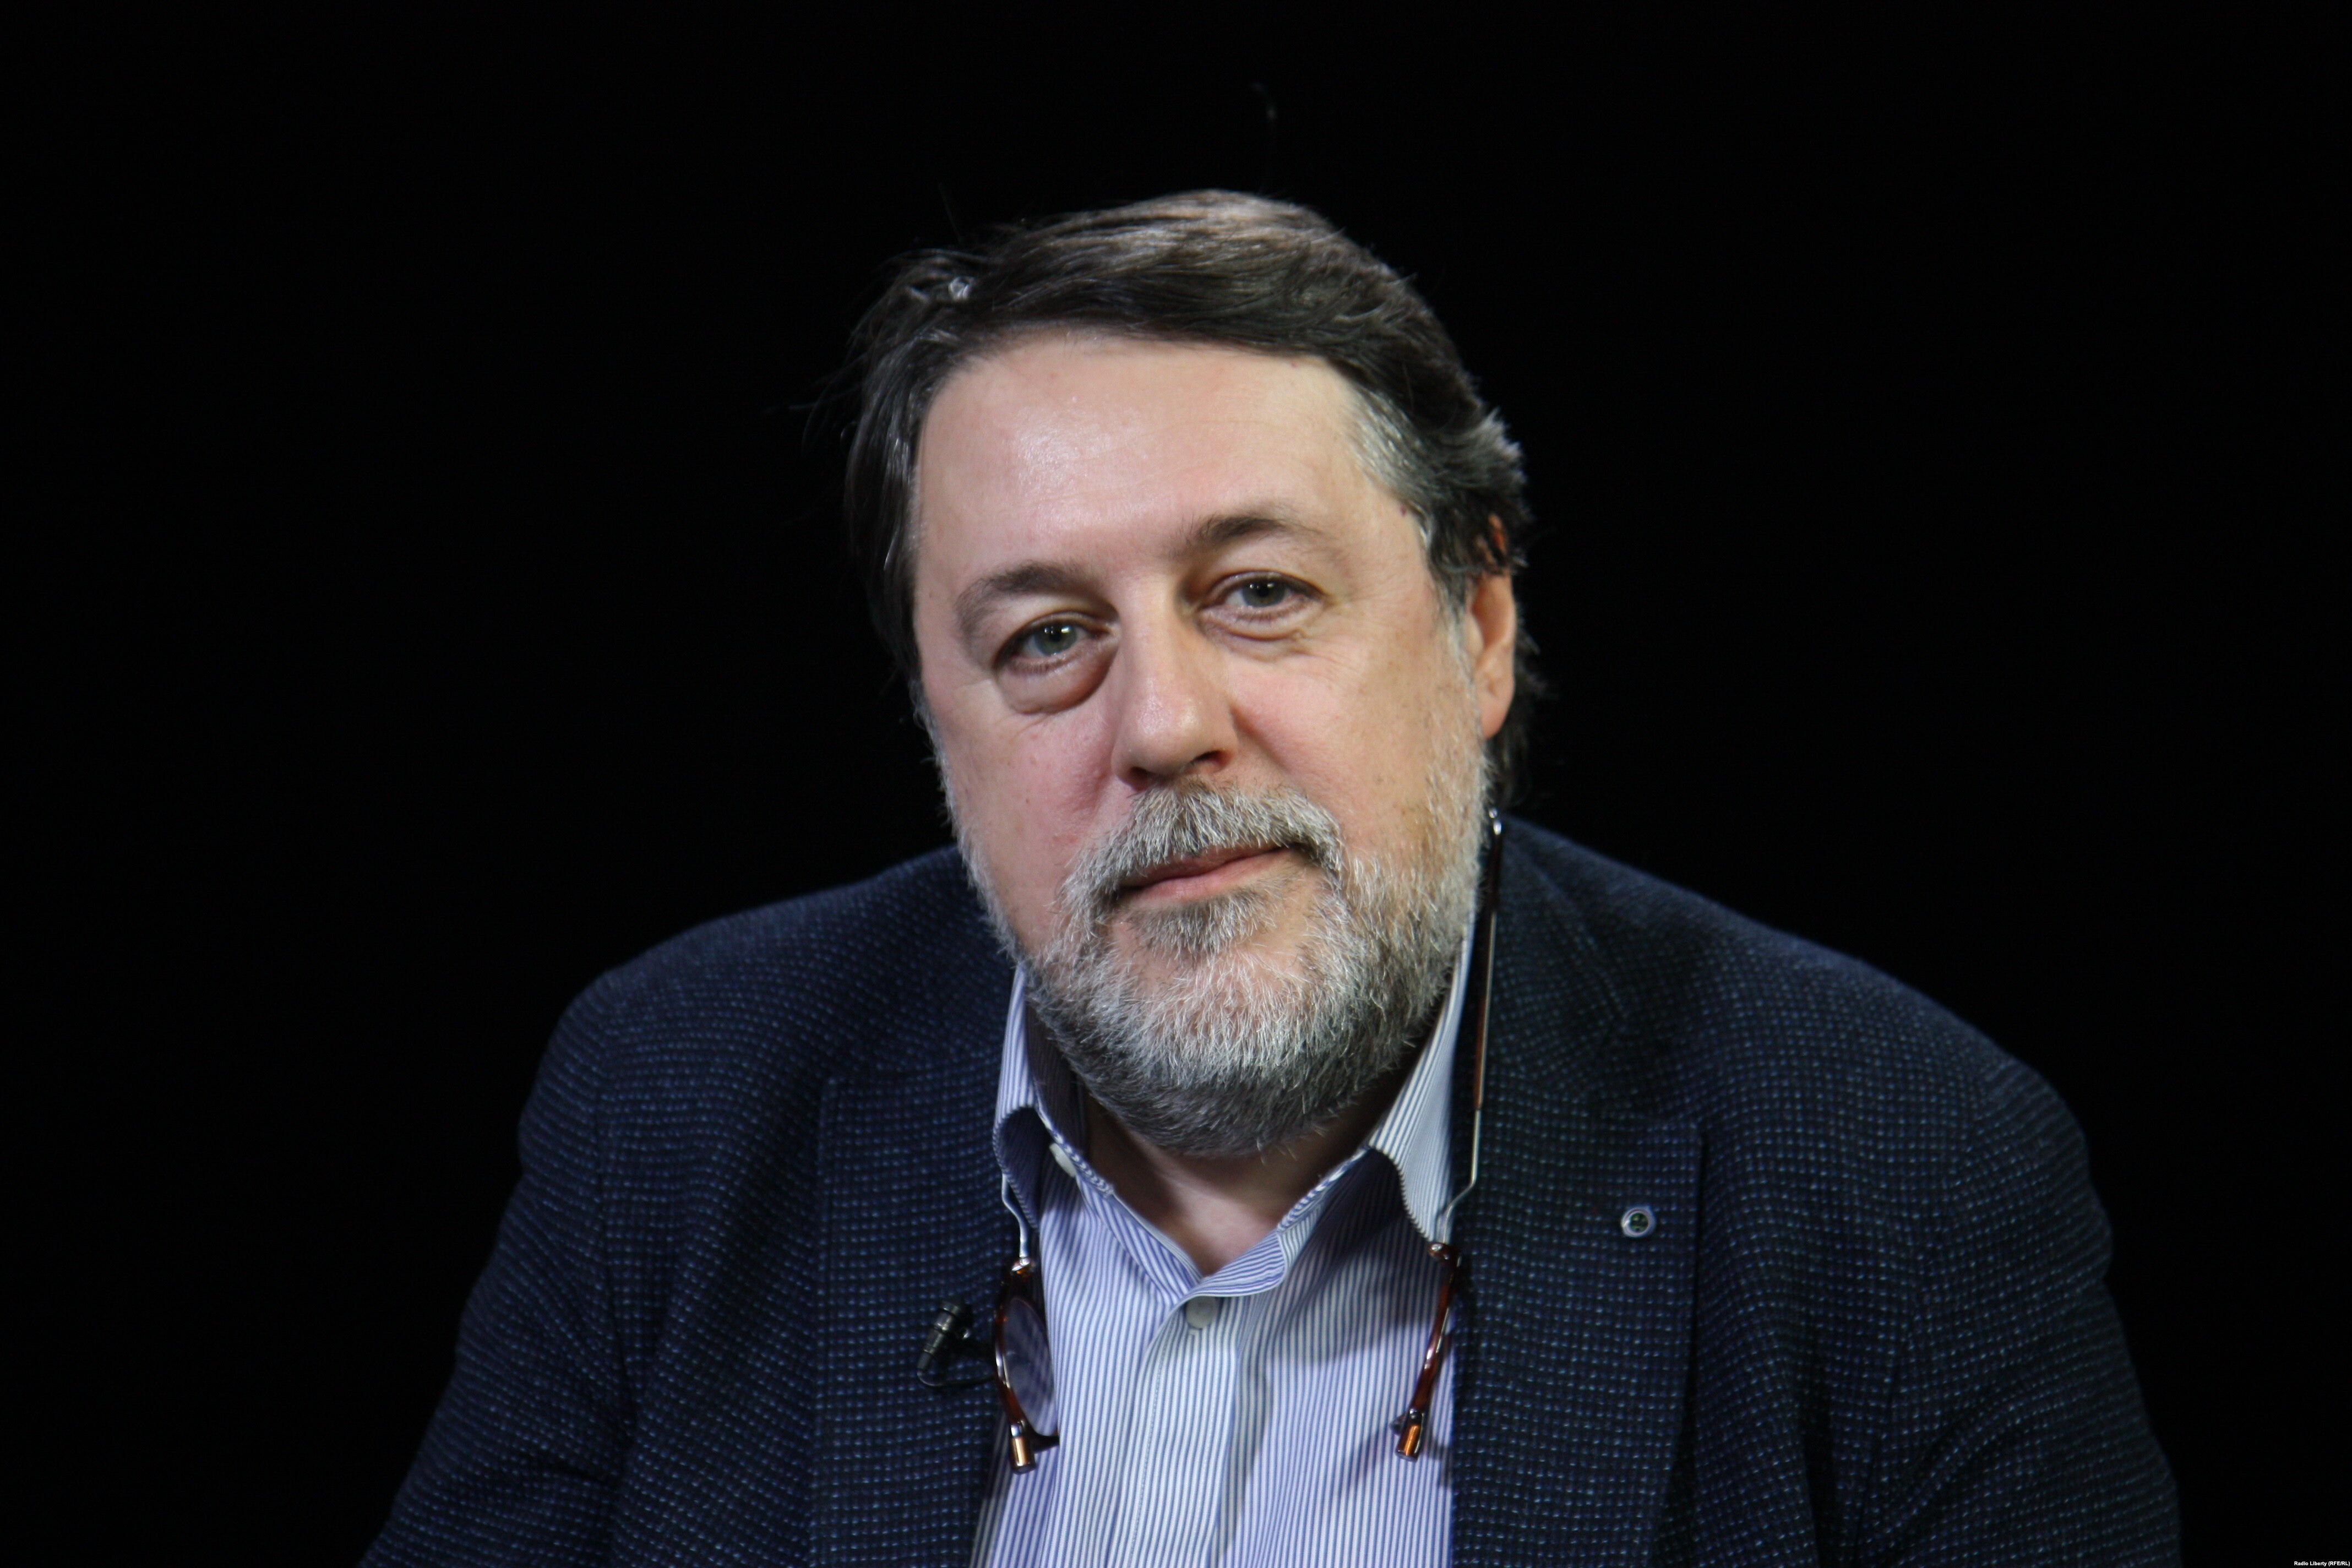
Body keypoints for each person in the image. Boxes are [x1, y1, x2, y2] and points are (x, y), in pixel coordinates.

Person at [365, 192, 2177, 1566]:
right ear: (933, 720)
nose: (1164, 726)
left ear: (1477, 629)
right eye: (1048, 636)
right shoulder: (674, 1103)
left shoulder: (1903, 1174)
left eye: (1258, 593)